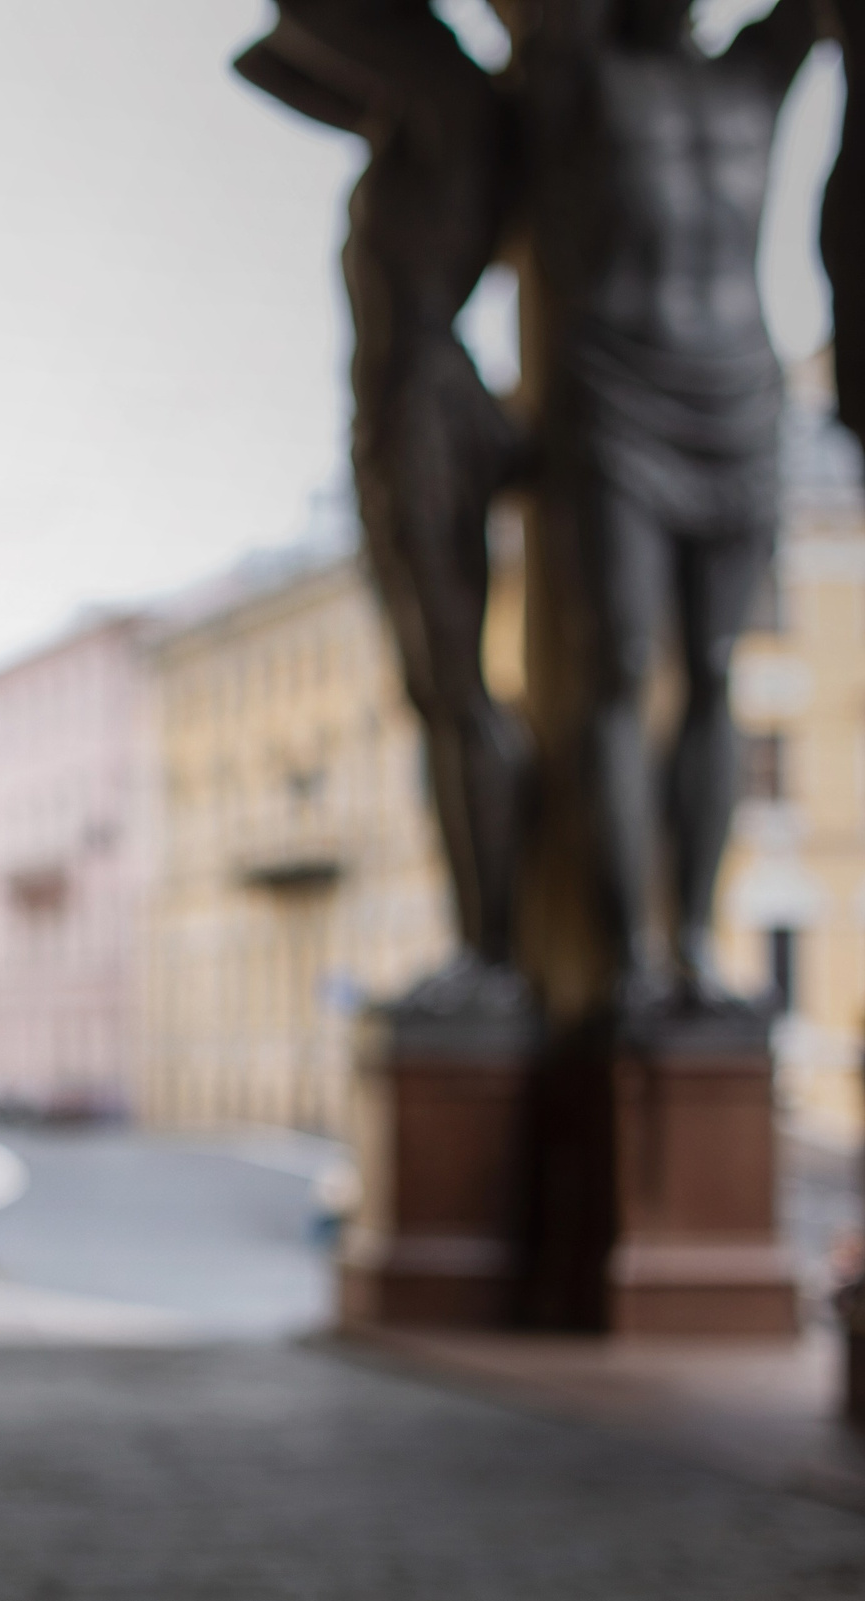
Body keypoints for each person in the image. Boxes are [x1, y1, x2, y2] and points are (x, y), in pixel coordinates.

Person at [238, 0, 530, 1011]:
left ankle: (497, 944)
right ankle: (486, 940)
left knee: (456, 692)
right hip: (394, 420)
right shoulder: (418, 133)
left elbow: (302, 27)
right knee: (435, 694)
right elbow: (275, 60)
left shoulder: (452, 116)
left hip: (425, 416)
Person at [526, 0, 818, 1008]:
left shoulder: (756, 72)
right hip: (618, 389)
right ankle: (630, 958)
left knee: (714, 666)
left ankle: (691, 937)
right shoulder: (582, 76)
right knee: (620, 662)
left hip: (736, 389)